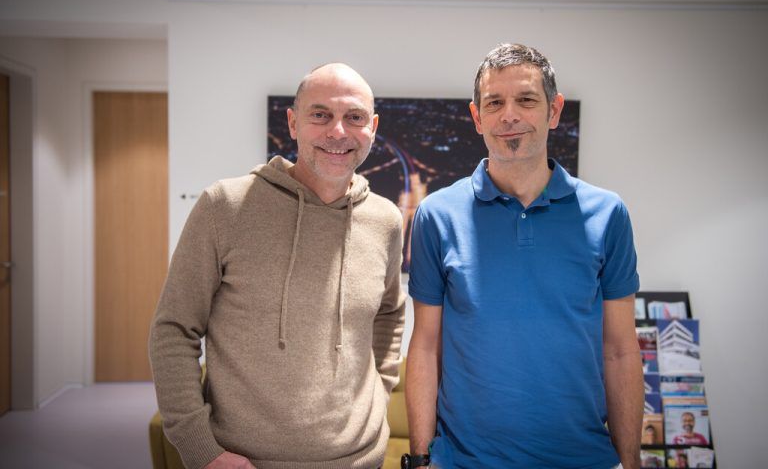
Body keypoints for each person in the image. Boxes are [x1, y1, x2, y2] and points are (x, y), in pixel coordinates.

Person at [149, 63, 406, 469]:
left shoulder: (386, 220)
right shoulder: (225, 206)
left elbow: (390, 313)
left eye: (353, 117)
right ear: (292, 122)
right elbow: (174, 330)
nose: (338, 132)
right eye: (320, 114)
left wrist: (380, 388)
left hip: (362, 460)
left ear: (372, 127)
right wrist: (201, 449)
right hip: (244, 462)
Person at [405, 43, 644, 469]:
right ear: (477, 117)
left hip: (584, 459)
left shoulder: (608, 214)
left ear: (554, 111)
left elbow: (621, 350)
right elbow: (425, 346)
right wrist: (421, 459)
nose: (509, 115)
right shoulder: (436, 216)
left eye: (526, 100)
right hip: (464, 461)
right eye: (494, 103)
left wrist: (630, 462)